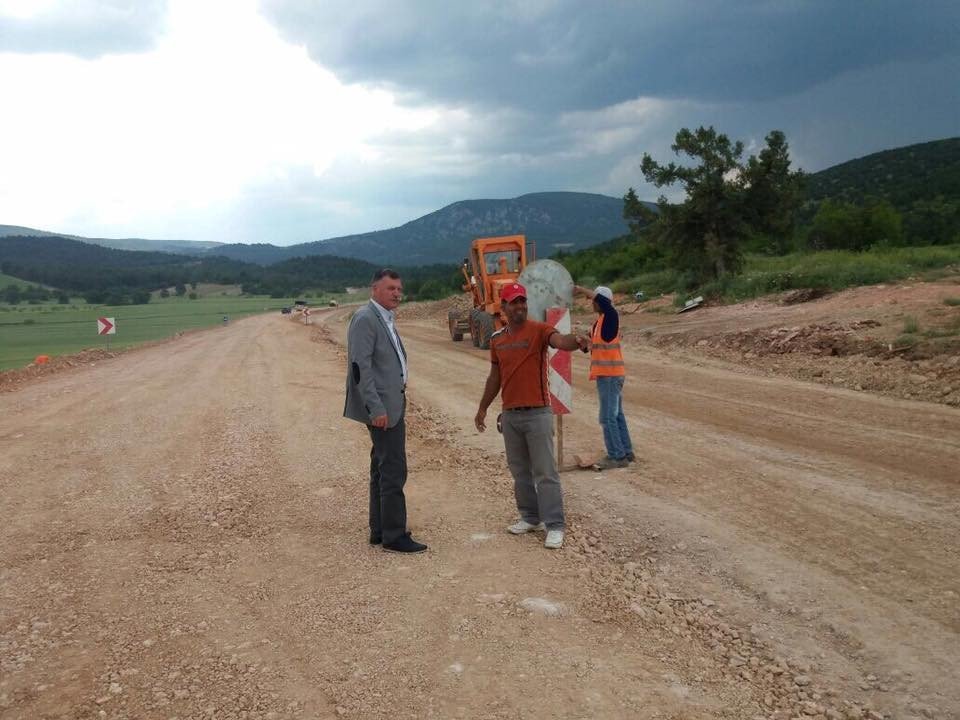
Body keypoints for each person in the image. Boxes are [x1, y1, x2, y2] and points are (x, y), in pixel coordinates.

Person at [474, 282, 589, 550]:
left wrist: (578, 340)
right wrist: (482, 408)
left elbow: (560, 341)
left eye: (523, 301)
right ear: (503, 307)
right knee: (520, 471)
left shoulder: (539, 331)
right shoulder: (497, 340)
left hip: (538, 413)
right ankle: (530, 517)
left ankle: (555, 525)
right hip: (511, 416)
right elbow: (495, 377)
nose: (520, 306)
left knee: (545, 472)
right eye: (514, 302)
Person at [344, 268, 427, 553]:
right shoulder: (367, 318)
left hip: (392, 404)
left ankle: (380, 529)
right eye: (390, 288)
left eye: (399, 289)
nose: (397, 293)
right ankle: (394, 535)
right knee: (393, 470)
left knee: (381, 468)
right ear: (374, 289)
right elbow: (360, 368)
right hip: (382, 409)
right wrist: (375, 407)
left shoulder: (384, 318)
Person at [574, 285, 634, 469]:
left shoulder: (611, 316)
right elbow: (592, 347)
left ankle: (617, 456)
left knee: (607, 417)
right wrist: (582, 344)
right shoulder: (599, 323)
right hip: (609, 376)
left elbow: (603, 302)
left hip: (610, 376)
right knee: (616, 415)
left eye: (594, 300)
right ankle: (626, 451)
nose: (592, 303)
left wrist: (579, 288)